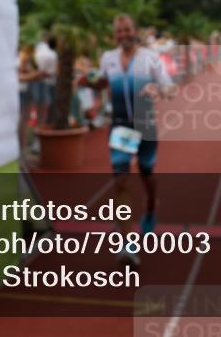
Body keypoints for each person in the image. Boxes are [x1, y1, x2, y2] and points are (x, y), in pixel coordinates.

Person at [81, 14, 174, 267]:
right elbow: (101, 82)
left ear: (135, 31)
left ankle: (152, 205)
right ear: (115, 35)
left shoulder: (150, 58)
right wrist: (89, 83)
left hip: (146, 125)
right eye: (119, 31)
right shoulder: (108, 59)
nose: (123, 35)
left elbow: (169, 87)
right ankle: (127, 243)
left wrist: (157, 89)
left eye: (127, 30)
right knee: (120, 180)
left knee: (146, 174)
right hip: (121, 126)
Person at [16, 45, 44, 162]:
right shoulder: (21, 56)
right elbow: (20, 76)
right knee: (22, 122)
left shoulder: (23, 56)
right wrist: (36, 74)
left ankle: (22, 151)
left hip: (25, 92)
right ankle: (21, 152)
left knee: (24, 122)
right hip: (22, 92)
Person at [34, 35, 58, 127]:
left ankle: (40, 127)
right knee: (46, 106)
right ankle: (43, 126)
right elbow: (54, 71)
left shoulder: (38, 50)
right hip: (48, 82)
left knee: (39, 106)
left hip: (38, 80)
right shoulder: (52, 54)